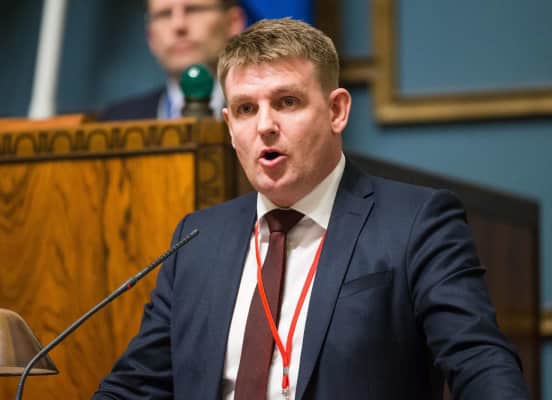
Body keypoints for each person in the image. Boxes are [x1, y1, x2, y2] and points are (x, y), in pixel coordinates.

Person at [93, 18, 529, 399]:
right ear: (229, 126)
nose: (265, 126)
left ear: (336, 110)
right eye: (246, 109)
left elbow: (479, 361)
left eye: (287, 102)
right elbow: (135, 385)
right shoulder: (197, 240)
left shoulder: (416, 223)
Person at [98, 0, 246, 121]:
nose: (178, 25)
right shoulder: (116, 121)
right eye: (165, 14)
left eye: (193, 9)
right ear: (150, 36)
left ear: (233, 22)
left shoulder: (256, 113)